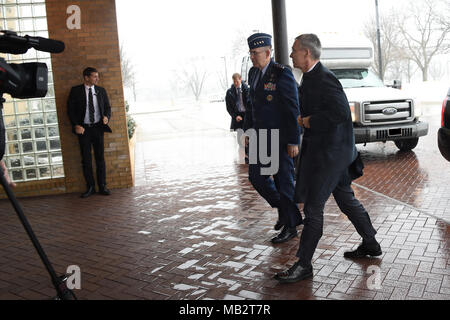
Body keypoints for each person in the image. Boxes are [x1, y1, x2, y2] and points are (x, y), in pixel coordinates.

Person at [274, 34, 381, 283]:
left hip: (332, 155)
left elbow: (342, 112)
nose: (291, 55)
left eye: (294, 51)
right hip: (331, 153)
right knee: (345, 200)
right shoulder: (309, 77)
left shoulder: (324, 78)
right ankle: (371, 245)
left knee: (313, 208)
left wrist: (310, 121)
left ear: (306, 54)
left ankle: (304, 264)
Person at [244, 33, 302, 244]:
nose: (252, 56)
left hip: (279, 138)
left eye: (255, 53)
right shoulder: (253, 74)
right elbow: (251, 106)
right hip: (260, 137)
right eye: (250, 52)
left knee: (283, 182)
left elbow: (292, 108)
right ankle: (287, 211)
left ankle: (290, 226)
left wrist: (294, 140)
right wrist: (248, 131)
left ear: (268, 53)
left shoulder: (281, 74)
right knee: (256, 178)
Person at [67, 67, 112, 198]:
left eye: (97, 76)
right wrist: (76, 125)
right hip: (84, 130)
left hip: (98, 128)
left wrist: (106, 117)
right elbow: (70, 110)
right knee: (86, 160)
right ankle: (91, 187)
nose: (97, 79)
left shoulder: (101, 91)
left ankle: (102, 186)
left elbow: (108, 108)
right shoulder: (75, 91)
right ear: (86, 77)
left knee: (100, 158)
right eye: (94, 76)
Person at [225, 73, 249, 162]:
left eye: (237, 81)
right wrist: (235, 116)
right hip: (237, 116)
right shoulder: (230, 92)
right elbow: (228, 107)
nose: (236, 83)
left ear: (240, 79)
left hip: (247, 115)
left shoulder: (247, 89)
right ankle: (244, 156)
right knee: (241, 139)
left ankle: (248, 155)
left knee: (248, 135)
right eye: (234, 81)